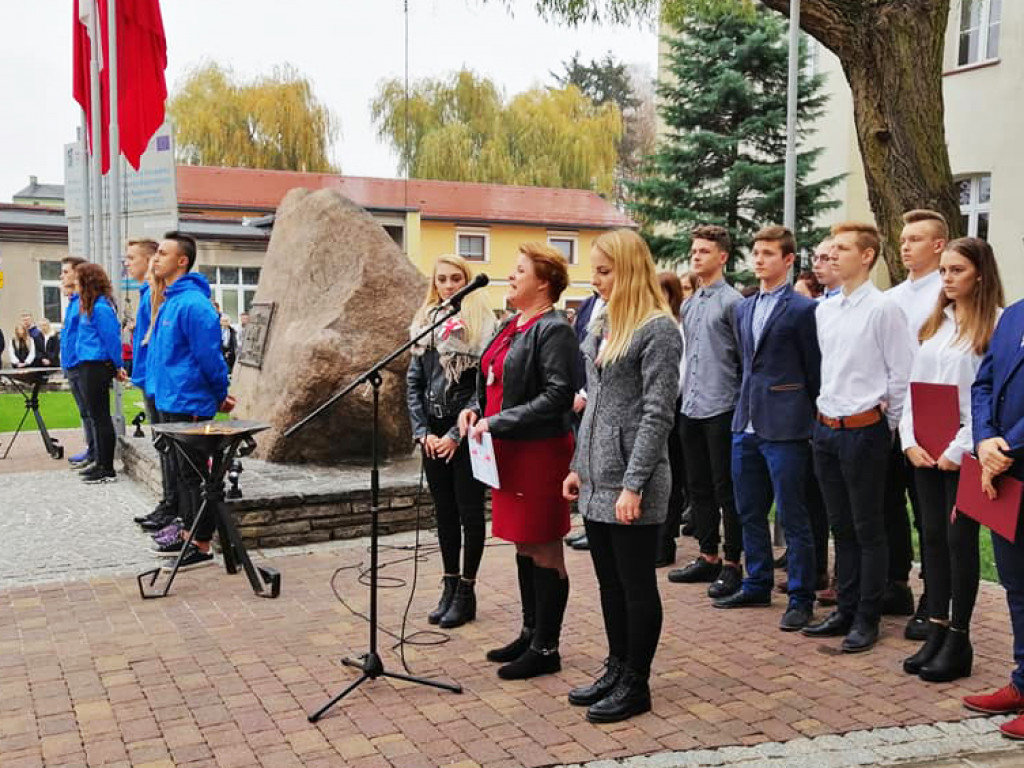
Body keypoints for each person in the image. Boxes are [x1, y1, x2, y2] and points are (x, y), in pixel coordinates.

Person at [562, 230, 680, 723]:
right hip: (597, 473)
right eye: (594, 270)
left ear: (630, 269)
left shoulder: (659, 330)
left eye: (605, 271)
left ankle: (637, 681)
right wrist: (577, 466)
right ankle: (616, 665)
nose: (596, 280)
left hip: (635, 479)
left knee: (635, 586)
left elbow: (657, 414)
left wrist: (633, 483)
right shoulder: (606, 321)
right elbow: (595, 402)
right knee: (609, 584)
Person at [458, 242, 577, 680]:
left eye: (520, 270)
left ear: (543, 283)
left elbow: (558, 394)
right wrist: (474, 409)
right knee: (523, 541)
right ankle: (530, 632)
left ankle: (548, 647)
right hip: (507, 447)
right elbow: (487, 377)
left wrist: (499, 421)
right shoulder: (512, 325)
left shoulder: (554, 329)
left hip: (539, 450)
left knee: (543, 543)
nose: (511, 275)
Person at [802, 222, 915, 653]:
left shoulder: (884, 309)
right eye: (831, 249)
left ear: (866, 256)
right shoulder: (825, 310)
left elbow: (900, 376)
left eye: (843, 249)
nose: (832, 256)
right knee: (841, 526)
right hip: (826, 427)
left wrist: (890, 433)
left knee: (869, 528)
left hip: (865, 429)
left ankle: (868, 617)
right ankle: (845, 607)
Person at [899, 237, 1003, 684]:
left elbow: (987, 397)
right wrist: (907, 440)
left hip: (968, 454)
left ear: (980, 272)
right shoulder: (935, 322)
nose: (946, 279)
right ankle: (937, 627)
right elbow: (913, 388)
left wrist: (959, 448)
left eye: (956, 270)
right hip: (925, 451)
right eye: (943, 271)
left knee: (961, 544)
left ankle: (959, 638)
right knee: (934, 541)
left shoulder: (995, 326)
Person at [717, 226, 821, 633]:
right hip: (745, 421)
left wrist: (809, 419)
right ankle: (757, 581)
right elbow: (746, 365)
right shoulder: (742, 308)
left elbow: (814, 370)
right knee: (748, 510)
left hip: (787, 423)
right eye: (756, 253)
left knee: (793, 516)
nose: (758, 260)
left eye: (768, 254)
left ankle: (800, 596)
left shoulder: (802, 310)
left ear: (788, 259)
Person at [407, 254, 495, 629]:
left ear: (467, 280)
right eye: (441, 279)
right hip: (432, 431)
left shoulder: (483, 325)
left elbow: (485, 393)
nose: (448, 286)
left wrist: (455, 436)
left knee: (469, 513)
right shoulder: (427, 323)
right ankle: (448, 583)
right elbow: (414, 383)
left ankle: (467, 590)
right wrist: (423, 432)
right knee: (444, 513)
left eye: (456, 278)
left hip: (467, 431)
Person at [147, 232, 232, 571]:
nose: (156, 259)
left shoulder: (194, 304)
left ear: (182, 261)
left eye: (163, 253)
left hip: (189, 400)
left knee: (196, 475)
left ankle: (201, 543)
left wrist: (220, 394)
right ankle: (187, 533)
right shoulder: (171, 301)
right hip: (170, 396)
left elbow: (210, 357)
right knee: (184, 476)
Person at [963, 275, 1024, 739]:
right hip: (1002, 472)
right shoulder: (1014, 315)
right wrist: (985, 440)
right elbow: (983, 383)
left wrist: (1008, 445)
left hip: (1012, 459)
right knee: (1016, 585)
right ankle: (1022, 682)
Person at [668, 225, 744, 599]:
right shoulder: (690, 303)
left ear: (722, 257)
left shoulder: (733, 303)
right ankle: (707, 553)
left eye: (704, 251)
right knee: (696, 485)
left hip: (722, 406)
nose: (696, 256)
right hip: (692, 406)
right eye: (693, 251)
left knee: (724, 487)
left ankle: (733, 562)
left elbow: (743, 359)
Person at [885, 209, 949, 636]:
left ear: (938, 245)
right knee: (887, 503)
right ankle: (895, 582)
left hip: (930, 411)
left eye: (916, 239)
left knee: (929, 512)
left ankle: (935, 595)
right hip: (889, 412)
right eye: (903, 239)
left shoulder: (946, 295)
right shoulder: (890, 297)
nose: (905, 246)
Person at [73, 262, 123, 483]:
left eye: (77, 279)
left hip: (97, 365)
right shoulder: (89, 306)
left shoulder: (101, 308)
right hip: (86, 364)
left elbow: (111, 339)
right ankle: (99, 462)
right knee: (94, 416)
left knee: (101, 417)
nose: (74, 283)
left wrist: (118, 365)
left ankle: (107, 467)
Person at [654, 271, 687, 567]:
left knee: (671, 479)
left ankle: (666, 541)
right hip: (655, 409)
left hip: (672, 410)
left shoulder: (677, 328)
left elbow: (678, 375)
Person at [59, 256, 93, 469]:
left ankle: (95, 451)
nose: (62, 276)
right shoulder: (73, 302)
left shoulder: (84, 302)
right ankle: (91, 448)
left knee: (91, 410)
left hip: (82, 365)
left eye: (65, 272)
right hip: (72, 364)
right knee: (84, 411)